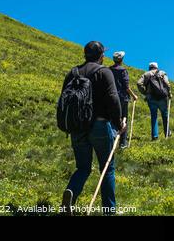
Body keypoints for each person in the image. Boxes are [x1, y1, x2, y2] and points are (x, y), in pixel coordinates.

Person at [60, 41, 126, 216]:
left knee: (83, 168)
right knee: (107, 168)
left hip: (77, 126)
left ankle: (71, 194)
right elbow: (113, 99)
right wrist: (119, 125)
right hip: (100, 125)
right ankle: (109, 211)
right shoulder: (104, 72)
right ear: (101, 55)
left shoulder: (73, 72)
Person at [109, 51, 139, 149]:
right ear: (121, 59)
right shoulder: (123, 70)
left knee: (112, 118)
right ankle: (122, 143)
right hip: (122, 98)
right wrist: (134, 95)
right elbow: (126, 87)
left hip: (111, 98)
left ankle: (111, 139)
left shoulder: (109, 70)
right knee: (124, 119)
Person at [137, 62, 172, 141]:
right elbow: (167, 83)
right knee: (165, 115)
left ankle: (155, 136)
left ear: (149, 67)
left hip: (151, 98)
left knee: (154, 116)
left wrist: (145, 92)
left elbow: (139, 83)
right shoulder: (162, 73)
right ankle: (167, 133)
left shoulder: (146, 74)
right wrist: (169, 93)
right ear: (157, 67)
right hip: (162, 97)